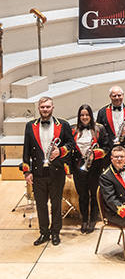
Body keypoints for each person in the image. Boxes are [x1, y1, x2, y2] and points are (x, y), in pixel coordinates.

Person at [22, 97, 75, 246]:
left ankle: (55, 232)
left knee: (56, 204)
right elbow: (26, 149)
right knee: (41, 204)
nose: (45, 109)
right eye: (42, 107)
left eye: (47, 107)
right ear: (39, 108)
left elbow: (71, 143)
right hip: (38, 172)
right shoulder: (30, 126)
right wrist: (27, 171)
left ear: (53, 108)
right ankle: (44, 233)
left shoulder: (63, 124)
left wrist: (61, 151)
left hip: (56, 171)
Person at [71, 104, 111, 234]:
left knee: (94, 194)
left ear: (91, 116)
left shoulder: (100, 129)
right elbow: (70, 148)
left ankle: (93, 219)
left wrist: (96, 154)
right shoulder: (73, 130)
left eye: (87, 115)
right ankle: (84, 219)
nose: (84, 117)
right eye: (82, 115)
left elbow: (106, 147)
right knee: (82, 195)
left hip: (95, 168)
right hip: (78, 168)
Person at [96, 86, 125, 167]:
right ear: (110, 96)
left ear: (123, 95)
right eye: (114, 96)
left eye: (119, 95)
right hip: (109, 150)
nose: (117, 98)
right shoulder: (102, 112)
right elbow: (98, 131)